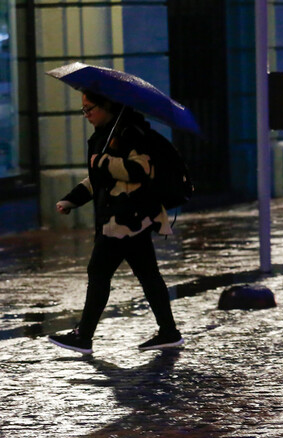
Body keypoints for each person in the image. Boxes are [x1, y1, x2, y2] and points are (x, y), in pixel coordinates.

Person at [47, 91, 183, 355]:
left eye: (89, 109)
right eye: (83, 110)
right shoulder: (108, 134)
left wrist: (104, 161)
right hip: (129, 219)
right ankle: (169, 331)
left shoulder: (130, 134)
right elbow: (97, 179)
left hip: (124, 220)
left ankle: (83, 336)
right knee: (147, 275)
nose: (86, 115)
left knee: (99, 273)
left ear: (108, 106)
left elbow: (140, 170)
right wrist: (71, 200)